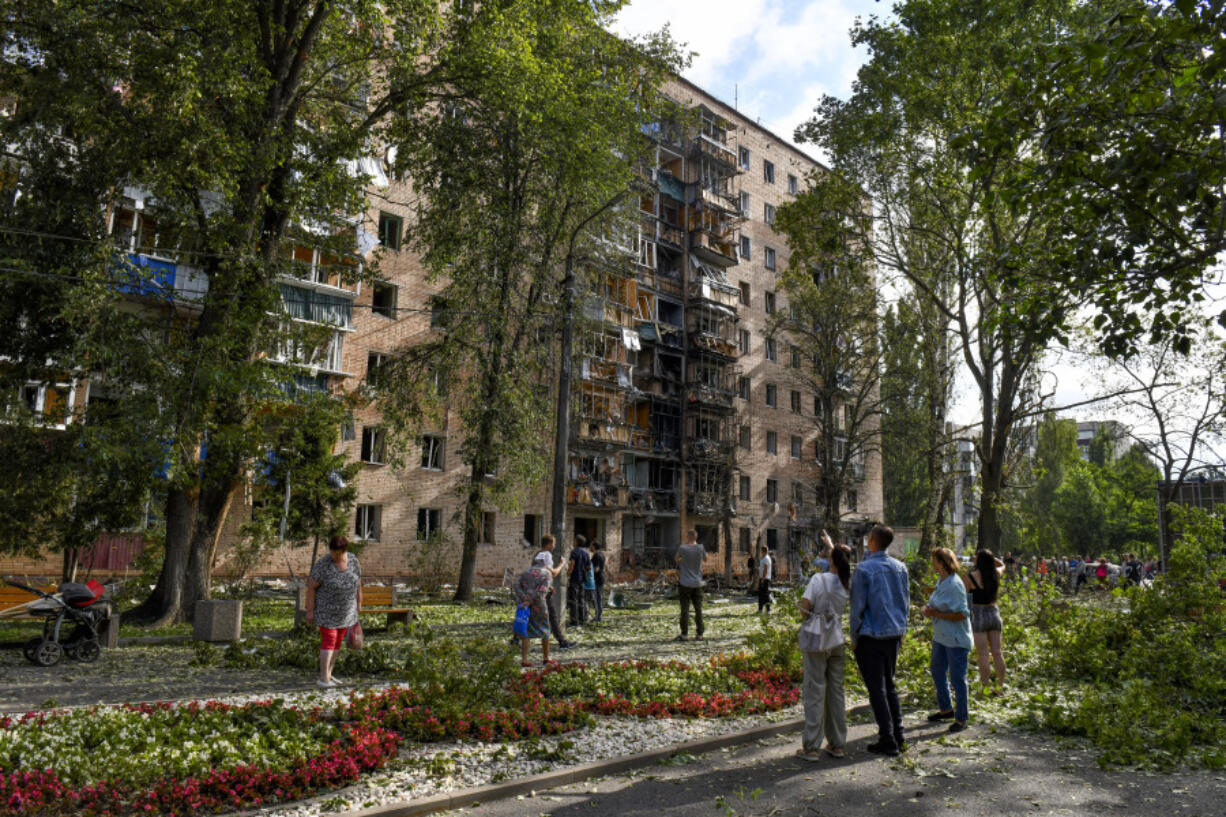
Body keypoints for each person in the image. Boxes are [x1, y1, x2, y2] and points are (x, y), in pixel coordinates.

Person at [849, 524, 910, 756]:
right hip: (893, 634)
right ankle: (899, 735)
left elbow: (857, 608)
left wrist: (854, 636)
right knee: (890, 686)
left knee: (877, 690)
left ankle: (888, 740)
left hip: (871, 636)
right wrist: (902, 630)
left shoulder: (864, 570)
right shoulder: (900, 568)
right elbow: (905, 603)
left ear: (872, 539)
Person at [795, 533, 852, 762]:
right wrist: (832, 545)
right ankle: (837, 743)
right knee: (836, 692)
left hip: (817, 639)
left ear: (830, 560)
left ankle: (811, 746)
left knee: (814, 689)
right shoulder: (849, 581)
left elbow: (804, 608)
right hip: (837, 637)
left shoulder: (819, 580)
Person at [923, 548, 973, 733]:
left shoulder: (955, 584)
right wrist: (927, 608)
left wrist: (936, 613)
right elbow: (936, 601)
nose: (932, 562)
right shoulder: (941, 580)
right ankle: (946, 709)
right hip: (941, 636)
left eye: (934, 559)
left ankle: (962, 718)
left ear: (942, 562)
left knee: (958, 678)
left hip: (956, 639)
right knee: (937, 670)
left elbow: (962, 613)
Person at [305, 536, 362, 688]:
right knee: (329, 640)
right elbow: (311, 587)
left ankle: (329, 674)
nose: (334, 556)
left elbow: (358, 582)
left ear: (345, 550)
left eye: (337, 553)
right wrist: (310, 611)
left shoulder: (354, 561)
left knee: (337, 643)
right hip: (327, 612)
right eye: (332, 552)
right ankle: (323, 679)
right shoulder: (324, 564)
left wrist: (360, 602)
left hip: (347, 612)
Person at [963, 549, 1006, 694]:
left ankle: (986, 687)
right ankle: (999, 687)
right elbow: (1002, 564)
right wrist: (990, 559)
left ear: (977, 561)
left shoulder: (969, 577)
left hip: (978, 614)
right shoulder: (996, 573)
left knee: (982, 654)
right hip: (994, 612)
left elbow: (965, 600)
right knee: (997, 653)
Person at [534, 535, 576, 649]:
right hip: (543, 592)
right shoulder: (547, 555)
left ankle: (515, 639)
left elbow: (539, 573)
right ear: (548, 544)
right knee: (552, 616)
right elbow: (552, 573)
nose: (554, 546)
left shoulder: (537, 555)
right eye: (553, 544)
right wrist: (561, 564)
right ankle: (562, 642)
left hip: (536, 589)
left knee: (532, 615)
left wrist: (549, 585)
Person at [515, 555, 552, 667]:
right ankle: (546, 658)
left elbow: (516, 585)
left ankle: (524, 659)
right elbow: (542, 592)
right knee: (545, 630)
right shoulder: (547, 573)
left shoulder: (526, 572)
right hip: (539, 606)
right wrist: (531, 600)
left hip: (525, 606)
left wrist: (524, 598)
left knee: (526, 630)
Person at [675, 529, 705, 641]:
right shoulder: (701, 548)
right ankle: (700, 634)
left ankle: (684, 634)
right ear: (696, 537)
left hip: (685, 583)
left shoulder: (682, 548)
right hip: (697, 583)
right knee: (698, 609)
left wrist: (684, 559)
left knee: (684, 609)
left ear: (688, 537)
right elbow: (705, 559)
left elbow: (676, 559)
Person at [567, 535, 592, 626]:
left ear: (577, 542)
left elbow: (572, 563)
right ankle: (581, 620)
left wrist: (568, 573)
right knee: (581, 599)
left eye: (574, 540)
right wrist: (583, 570)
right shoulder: (586, 553)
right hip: (582, 579)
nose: (573, 542)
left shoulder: (574, 551)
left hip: (574, 578)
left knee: (573, 599)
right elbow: (589, 567)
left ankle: (574, 620)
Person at [589, 541, 606, 622]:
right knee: (599, 597)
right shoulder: (602, 554)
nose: (590, 547)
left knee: (596, 598)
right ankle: (599, 615)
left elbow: (596, 569)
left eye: (591, 546)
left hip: (597, 579)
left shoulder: (596, 555)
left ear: (594, 547)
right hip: (601, 578)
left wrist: (588, 571)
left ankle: (598, 616)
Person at [758, 548, 774, 614]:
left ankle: (768, 610)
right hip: (763, 578)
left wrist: (763, 579)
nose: (760, 552)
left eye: (761, 551)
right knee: (761, 594)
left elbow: (765, 570)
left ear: (763, 551)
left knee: (765, 594)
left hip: (765, 579)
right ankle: (760, 609)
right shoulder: (763, 558)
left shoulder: (766, 558)